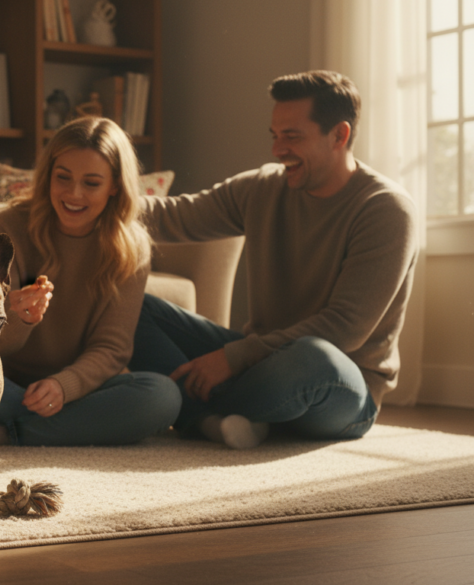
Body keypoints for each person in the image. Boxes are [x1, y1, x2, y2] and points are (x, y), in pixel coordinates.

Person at [129, 70, 418, 450]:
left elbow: (344, 329)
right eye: (275, 135)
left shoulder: (386, 210)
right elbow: (174, 215)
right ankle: (224, 418)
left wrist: (232, 359)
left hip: (340, 386)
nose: (278, 149)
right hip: (261, 362)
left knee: (314, 357)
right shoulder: (263, 187)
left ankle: (198, 414)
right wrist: (96, 202)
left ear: (340, 135)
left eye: (292, 136)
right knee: (134, 307)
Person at [0, 116, 182, 447]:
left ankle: (8, 433)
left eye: (91, 183)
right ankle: (47, 428)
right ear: (48, 176)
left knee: (162, 396)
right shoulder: (9, 226)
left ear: (115, 186)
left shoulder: (132, 248)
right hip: (2, 380)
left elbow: (112, 347)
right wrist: (18, 316)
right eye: (63, 178)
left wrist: (65, 386)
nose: (73, 194)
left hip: (75, 389)